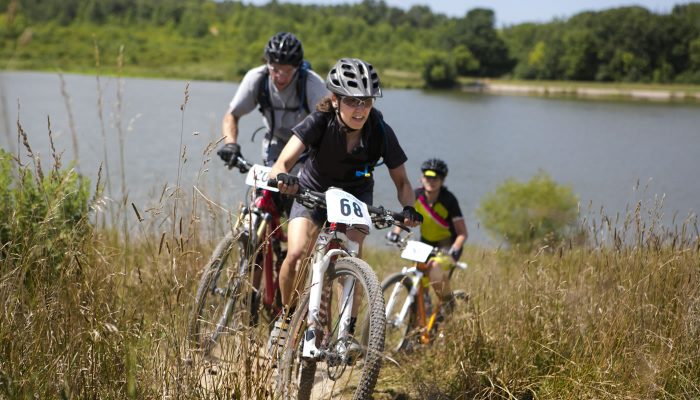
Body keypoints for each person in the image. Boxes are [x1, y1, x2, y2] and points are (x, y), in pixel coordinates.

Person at [267, 57, 423, 354]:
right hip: (312, 189)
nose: (361, 109)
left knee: (353, 255)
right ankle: (286, 319)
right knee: (297, 253)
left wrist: (409, 209)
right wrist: (284, 179)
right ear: (336, 100)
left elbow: (403, 183)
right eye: (352, 101)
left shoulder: (379, 130)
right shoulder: (319, 121)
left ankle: (346, 335)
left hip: (355, 193)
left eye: (366, 102)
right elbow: (282, 163)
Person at [216, 31, 328, 169]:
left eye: (287, 71)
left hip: (307, 148)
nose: (280, 77)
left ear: (298, 68)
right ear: (267, 62)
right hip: (274, 144)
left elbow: (330, 124)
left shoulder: (313, 83)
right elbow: (232, 115)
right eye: (275, 70)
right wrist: (230, 144)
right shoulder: (256, 78)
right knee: (266, 187)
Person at [386, 158, 468, 314]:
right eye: (428, 177)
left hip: (446, 248)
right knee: (418, 283)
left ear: (442, 180)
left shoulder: (449, 200)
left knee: (434, 269)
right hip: (425, 245)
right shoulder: (416, 195)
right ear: (421, 178)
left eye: (435, 178)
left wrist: (455, 249)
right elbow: (404, 219)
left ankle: (448, 307)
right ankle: (421, 314)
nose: (431, 181)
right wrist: (395, 233)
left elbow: (462, 233)